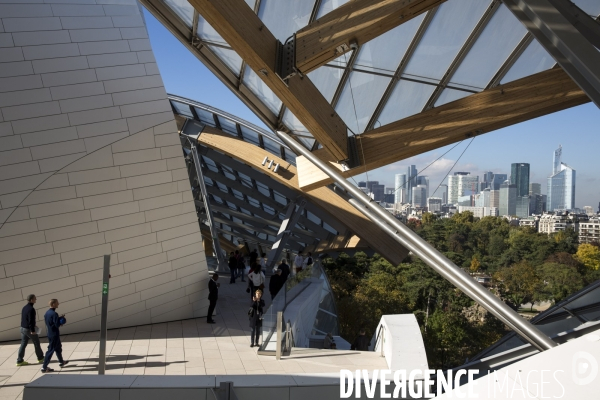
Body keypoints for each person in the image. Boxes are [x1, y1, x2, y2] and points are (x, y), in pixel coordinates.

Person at [16, 294, 44, 366]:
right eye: (35, 298)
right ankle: (40, 357)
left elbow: (25, 318)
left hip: (22, 328)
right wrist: (32, 330)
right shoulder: (31, 309)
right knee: (36, 342)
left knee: (23, 344)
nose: (36, 299)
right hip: (28, 329)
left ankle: (19, 360)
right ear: (31, 300)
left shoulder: (24, 307)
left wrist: (33, 325)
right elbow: (31, 320)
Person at [41, 299, 68, 372]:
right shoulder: (54, 314)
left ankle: (61, 362)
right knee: (50, 350)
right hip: (54, 334)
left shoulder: (47, 313)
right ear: (53, 304)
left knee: (58, 348)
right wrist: (61, 322)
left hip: (50, 333)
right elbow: (56, 324)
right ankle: (44, 367)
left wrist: (59, 318)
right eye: (57, 303)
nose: (58, 304)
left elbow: (51, 322)